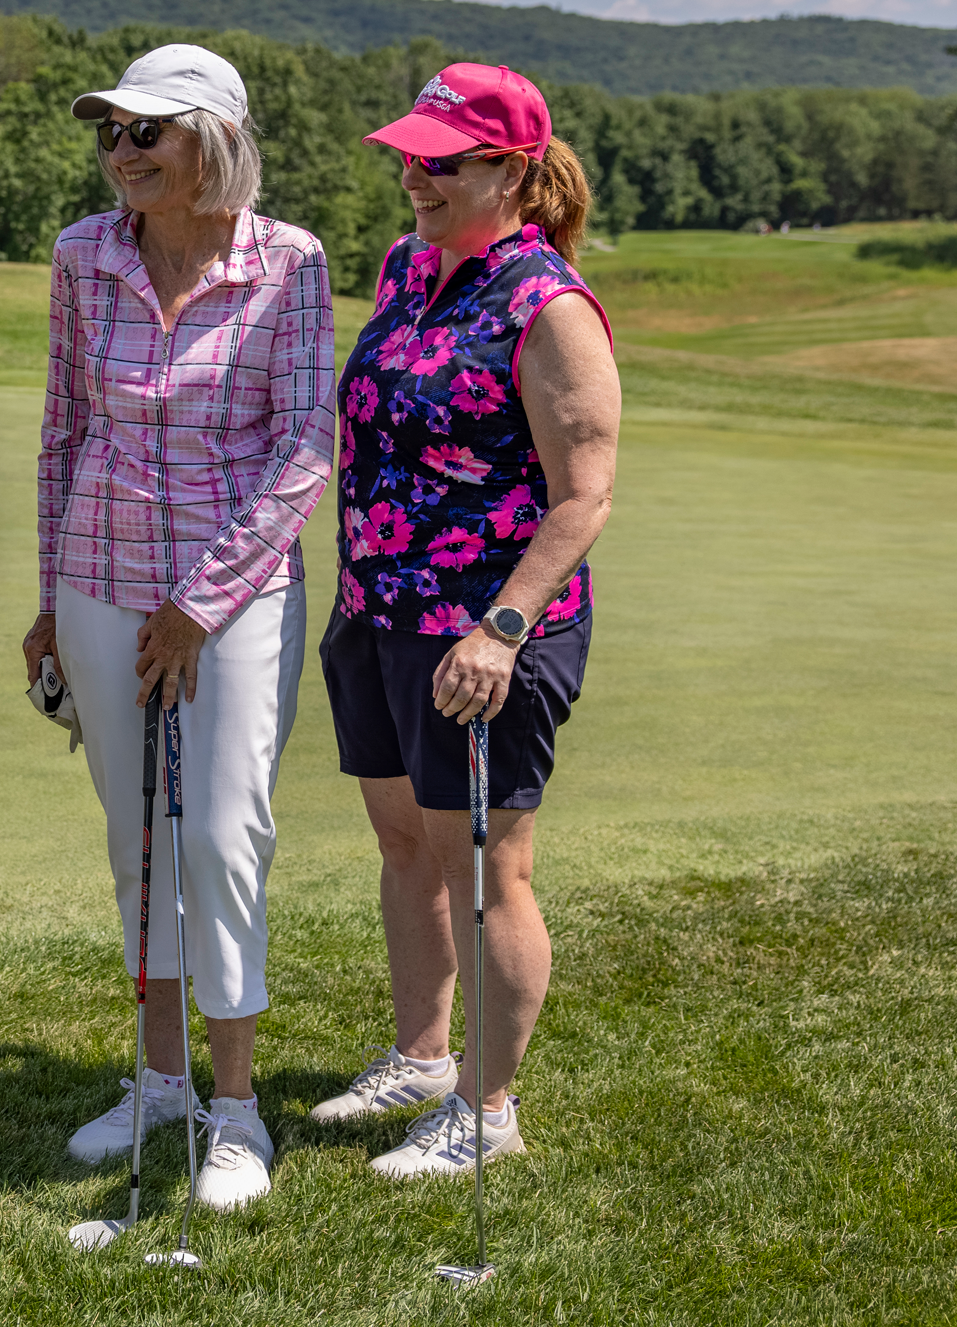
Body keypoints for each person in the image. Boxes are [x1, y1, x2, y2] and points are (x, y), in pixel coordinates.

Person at [25, 45, 340, 1212]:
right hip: (102, 581)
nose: (123, 151)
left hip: (234, 596)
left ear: (212, 137)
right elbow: (63, 432)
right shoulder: (82, 253)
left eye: (148, 131)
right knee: (138, 838)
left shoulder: (288, 260)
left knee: (216, 833)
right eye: (112, 132)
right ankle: (161, 1081)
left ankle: (239, 1106)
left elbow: (305, 442)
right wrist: (54, 605)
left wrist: (200, 605)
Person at [307, 63, 619, 1182]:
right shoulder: (405, 265)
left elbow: (583, 494)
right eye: (408, 156)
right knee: (408, 846)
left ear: (514, 169)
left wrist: (499, 625)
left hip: (479, 636)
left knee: (484, 866)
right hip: (377, 610)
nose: (413, 176)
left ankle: (487, 1108)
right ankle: (423, 1057)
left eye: (440, 161)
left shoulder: (549, 305)